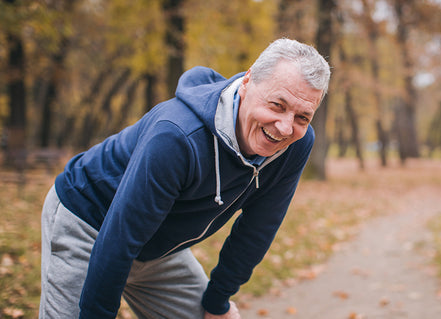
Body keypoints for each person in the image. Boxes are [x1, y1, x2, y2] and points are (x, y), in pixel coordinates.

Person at [39, 38, 330, 319]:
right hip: (88, 221)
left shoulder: (295, 144)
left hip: (158, 248)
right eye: (277, 105)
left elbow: (260, 227)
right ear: (247, 82)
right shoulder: (177, 136)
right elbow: (119, 239)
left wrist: (218, 301)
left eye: (302, 116)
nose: (284, 127)